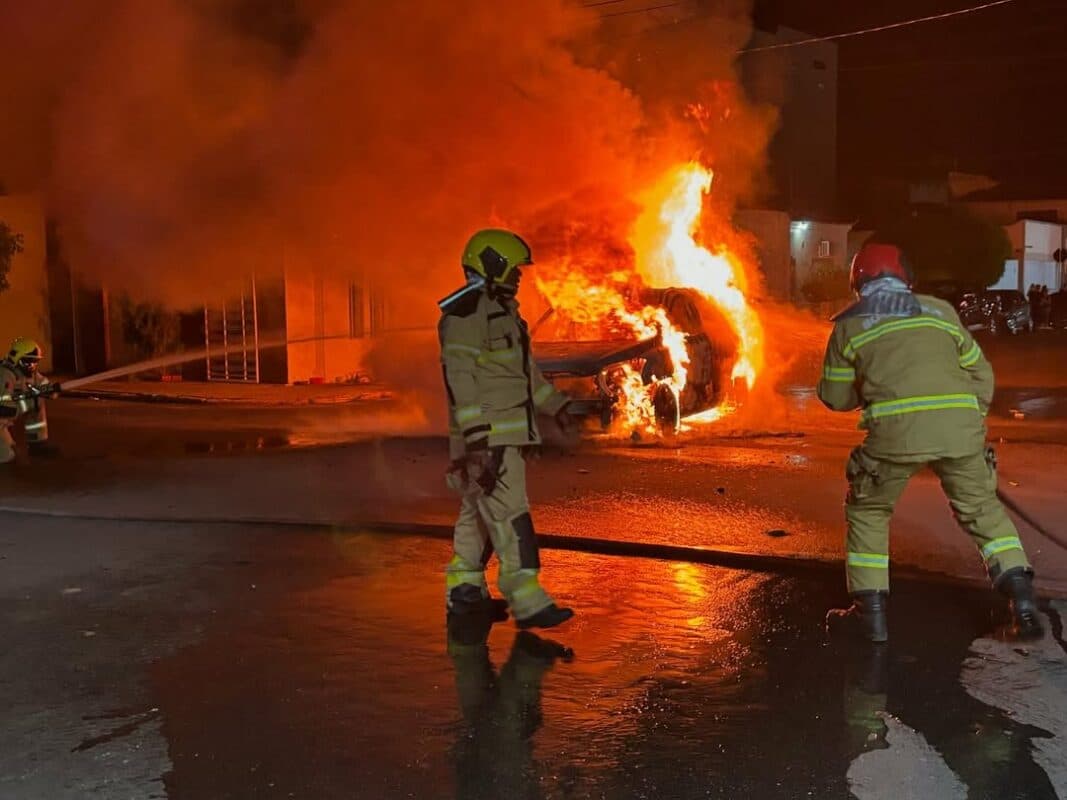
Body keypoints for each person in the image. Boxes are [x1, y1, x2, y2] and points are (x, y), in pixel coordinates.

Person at [818, 242, 1042, 642]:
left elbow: (834, 397)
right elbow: (980, 374)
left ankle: (870, 618)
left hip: (894, 435)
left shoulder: (849, 325)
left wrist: (866, 387)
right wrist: (969, 421)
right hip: (960, 429)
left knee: (869, 511)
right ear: (907, 278)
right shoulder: (940, 311)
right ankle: (1023, 601)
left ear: (859, 281)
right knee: (982, 511)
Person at [439, 229, 575, 630]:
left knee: (477, 515)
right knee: (511, 514)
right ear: (491, 264)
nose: (519, 276)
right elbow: (459, 381)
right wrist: (477, 441)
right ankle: (527, 597)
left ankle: (464, 592)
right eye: (514, 269)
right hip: (489, 438)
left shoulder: (508, 316)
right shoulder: (465, 317)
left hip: (504, 436)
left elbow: (526, 378)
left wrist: (558, 406)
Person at [0, 337, 58, 464]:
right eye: (28, 361)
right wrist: (30, 400)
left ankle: (38, 443)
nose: (32, 366)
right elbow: (4, 410)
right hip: (2, 415)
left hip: (6, 417)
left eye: (34, 362)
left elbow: (46, 387)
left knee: (38, 400)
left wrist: (52, 390)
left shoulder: (28, 372)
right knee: (9, 457)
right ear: (17, 359)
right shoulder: (5, 374)